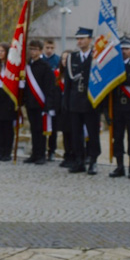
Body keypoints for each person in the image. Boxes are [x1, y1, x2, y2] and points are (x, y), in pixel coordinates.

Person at [62, 27, 100, 175]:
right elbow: (68, 82)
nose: (80, 41)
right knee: (76, 133)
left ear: (90, 40)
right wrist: (66, 101)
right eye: (78, 38)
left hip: (91, 101)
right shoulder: (73, 57)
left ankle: (93, 160)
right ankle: (79, 160)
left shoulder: (97, 57)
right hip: (75, 100)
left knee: (92, 133)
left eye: (83, 38)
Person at [109, 36, 130, 179]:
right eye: (122, 49)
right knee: (117, 137)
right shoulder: (114, 65)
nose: (124, 51)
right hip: (117, 106)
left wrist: (121, 77)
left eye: (127, 49)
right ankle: (120, 165)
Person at [23, 39, 56, 164]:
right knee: (33, 129)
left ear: (40, 51)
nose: (33, 52)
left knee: (41, 130)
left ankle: (41, 154)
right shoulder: (27, 66)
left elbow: (49, 87)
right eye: (31, 49)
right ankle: (34, 153)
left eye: (35, 49)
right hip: (30, 103)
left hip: (41, 103)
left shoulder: (45, 67)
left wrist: (48, 105)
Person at [55, 51, 73, 167]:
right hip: (61, 108)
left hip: (72, 107)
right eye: (63, 59)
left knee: (73, 134)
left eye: (67, 59)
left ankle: (74, 156)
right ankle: (67, 155)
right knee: (65, 134)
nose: (64, 61)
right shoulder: (57, 75)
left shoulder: (73, 74)